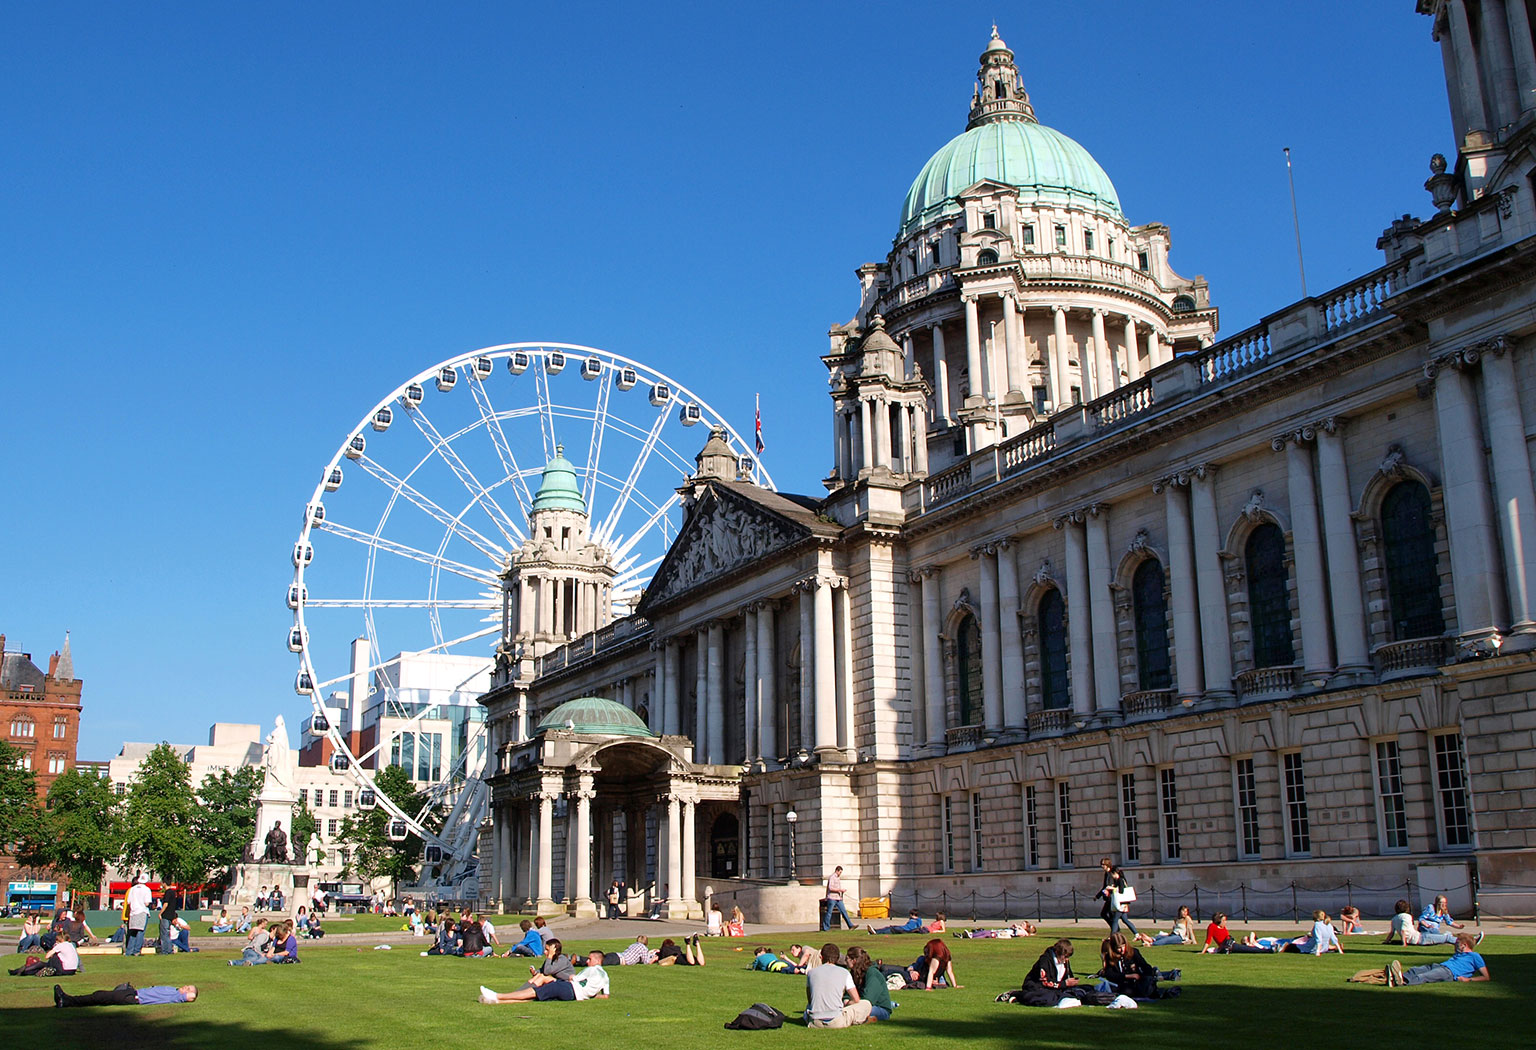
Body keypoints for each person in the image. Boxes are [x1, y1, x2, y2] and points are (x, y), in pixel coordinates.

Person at [481, 948, 611, 1002]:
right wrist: (590, 994)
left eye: (590, 959)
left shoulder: (592, 970)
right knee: (536, 998)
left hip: (570, 989)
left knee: (535, 992)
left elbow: (574, 978)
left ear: (598, 961)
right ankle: (497, 1001)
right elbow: (605, 996)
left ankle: (498, 995)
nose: (587, 961)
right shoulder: (605, 976)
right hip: (574, 994)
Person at [805, 943, 872, 1028]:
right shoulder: (845, 973)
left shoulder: (811, 973)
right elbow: (856, 999)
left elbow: (810, 999)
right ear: (837, 958)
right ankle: (860, 1019)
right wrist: (847, 1004)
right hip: (836, 1021)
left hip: (815, 1021)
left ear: (821, 957)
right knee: (866, 1004)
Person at [1387, 933, 1490, 987]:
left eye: (1457, 943)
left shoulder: (1475, 956)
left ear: (1464, 945)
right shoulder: (1458, 954)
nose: (1454, 944)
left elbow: (1486, 977)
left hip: (1449, 972)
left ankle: (1402, 982)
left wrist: (1469, 979)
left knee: (1425, 976)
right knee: (1416, 969)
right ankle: (1398, 977)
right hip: (1440, 966)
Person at [1098, 933, 1178, 1000]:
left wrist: (1146, 974)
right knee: (1127, 992)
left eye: (1123, 946)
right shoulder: (1110, 957)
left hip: (1137, 981)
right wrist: (1128, 976)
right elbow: (1110, 975)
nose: (1122, 950)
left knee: (1146, 986)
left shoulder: (1134, 952)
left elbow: (1144, 965)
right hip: (1122, 983)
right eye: (1119, 948)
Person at [1014, 938, 1080, 1006]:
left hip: (1054, 989)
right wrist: (1064, 984)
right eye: (1065, 957)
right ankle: (1017, 995)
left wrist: (1072, 982)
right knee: (1048, 998)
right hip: (1037, 987)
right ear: (1057, 953)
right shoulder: (1045, 960)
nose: (1067, 959)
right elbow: (1045, 982)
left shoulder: (1064, 961)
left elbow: (1068, 976)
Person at [1386, 898, 1465, 946]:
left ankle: (1453, 937)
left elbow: (1392, 933)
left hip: (1419, 937)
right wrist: (1404, 943)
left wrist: (1387, 941)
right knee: (1446, 938)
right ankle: (1466, 942)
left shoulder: (1394, 919)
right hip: (1420, 938)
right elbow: (1403, 930)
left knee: (1442, 937)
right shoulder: (1407, 917)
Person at [844, 946, 895, 1021]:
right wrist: (846, 1000)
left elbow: (868, 999)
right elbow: (848, 992)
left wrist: (852, 1003)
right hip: (859, 1004)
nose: (845, 961)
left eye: (847, 959)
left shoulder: (872, 973)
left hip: (879, 1008)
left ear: (854, 960)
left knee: (852, 1012)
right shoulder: (853, 973)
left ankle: (868, 1019)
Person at [56, 983, 198, 1007]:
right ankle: (68, 1000)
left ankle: (67, 1000)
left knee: (100, 996)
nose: (185, 987)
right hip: (133, 992)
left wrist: (189, 993)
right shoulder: (173, 990)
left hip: (134, 998)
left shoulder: (176, 997)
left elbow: (191, 997)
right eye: (187, 985)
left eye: (188, 988)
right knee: (100, 996)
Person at [10, 935, 79, 977]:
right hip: (72, 970)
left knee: (43, 963)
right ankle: (21, 971)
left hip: (63, 970)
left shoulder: (60, 945)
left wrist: (54, 949)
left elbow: (47, 956)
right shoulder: (71, 945)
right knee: (41, 967)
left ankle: (23, 970)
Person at [125, 873, 153, 957]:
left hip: (133, 912)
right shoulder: (147, 890)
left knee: (132, 932)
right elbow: (147, 903)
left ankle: (129, 951)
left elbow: (128, 902)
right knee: (140, 932)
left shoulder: (132, 889)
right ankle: (137, 951)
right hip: (142, 911)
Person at [822, 866, 854, 931]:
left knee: (844, 911)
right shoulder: (832, 877)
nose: (840, 873)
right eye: (840, 872)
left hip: (838, 898)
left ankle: (850, 925)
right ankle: (826, 927)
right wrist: (840, 890)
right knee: (829, 912)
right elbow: (830, 888)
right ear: (837, 870)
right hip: (832, 898)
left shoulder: (838, 878)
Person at [955, 921, 1036, 939]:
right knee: (985, 932)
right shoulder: (1021, 930)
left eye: (1024, 924)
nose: (1022, 924)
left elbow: (1018, 933)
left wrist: (1017, 927)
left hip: (1002, 934)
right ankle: (970, 935)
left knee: (986, 934)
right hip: (1002, 932)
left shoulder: (1023, 932)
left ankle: (971, 936)